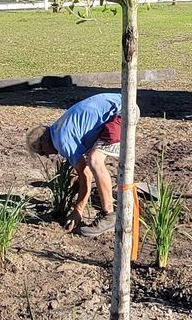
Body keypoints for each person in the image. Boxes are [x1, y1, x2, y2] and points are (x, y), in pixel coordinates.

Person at [25, 92, 124, 236]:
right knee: (92, 158)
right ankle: (105, 197)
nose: (47, 156)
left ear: (43, 141)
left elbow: (86, 175)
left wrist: (78, 210)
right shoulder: (57, 129)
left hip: (122, 111)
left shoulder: (62, 141)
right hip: (117, 106)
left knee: (95, 161)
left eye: (42, 152)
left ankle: (109, 214)